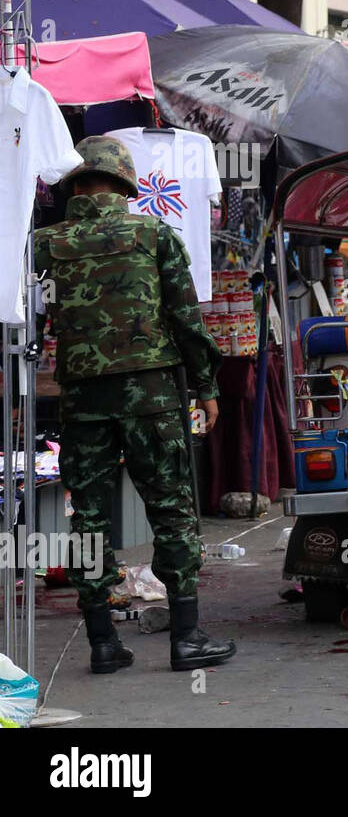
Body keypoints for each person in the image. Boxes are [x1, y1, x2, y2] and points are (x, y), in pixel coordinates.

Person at [34, 136, 236, 674]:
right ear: (126, 184)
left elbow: (27, 322)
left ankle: (102, 643)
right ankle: (186, 638)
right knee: (172, 510)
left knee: (90, 517)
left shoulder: (44, 243)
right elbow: (185, 318)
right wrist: (206, 386)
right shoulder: (153, 234)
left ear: (75, 184)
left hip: (82, 400)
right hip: (153, 398)